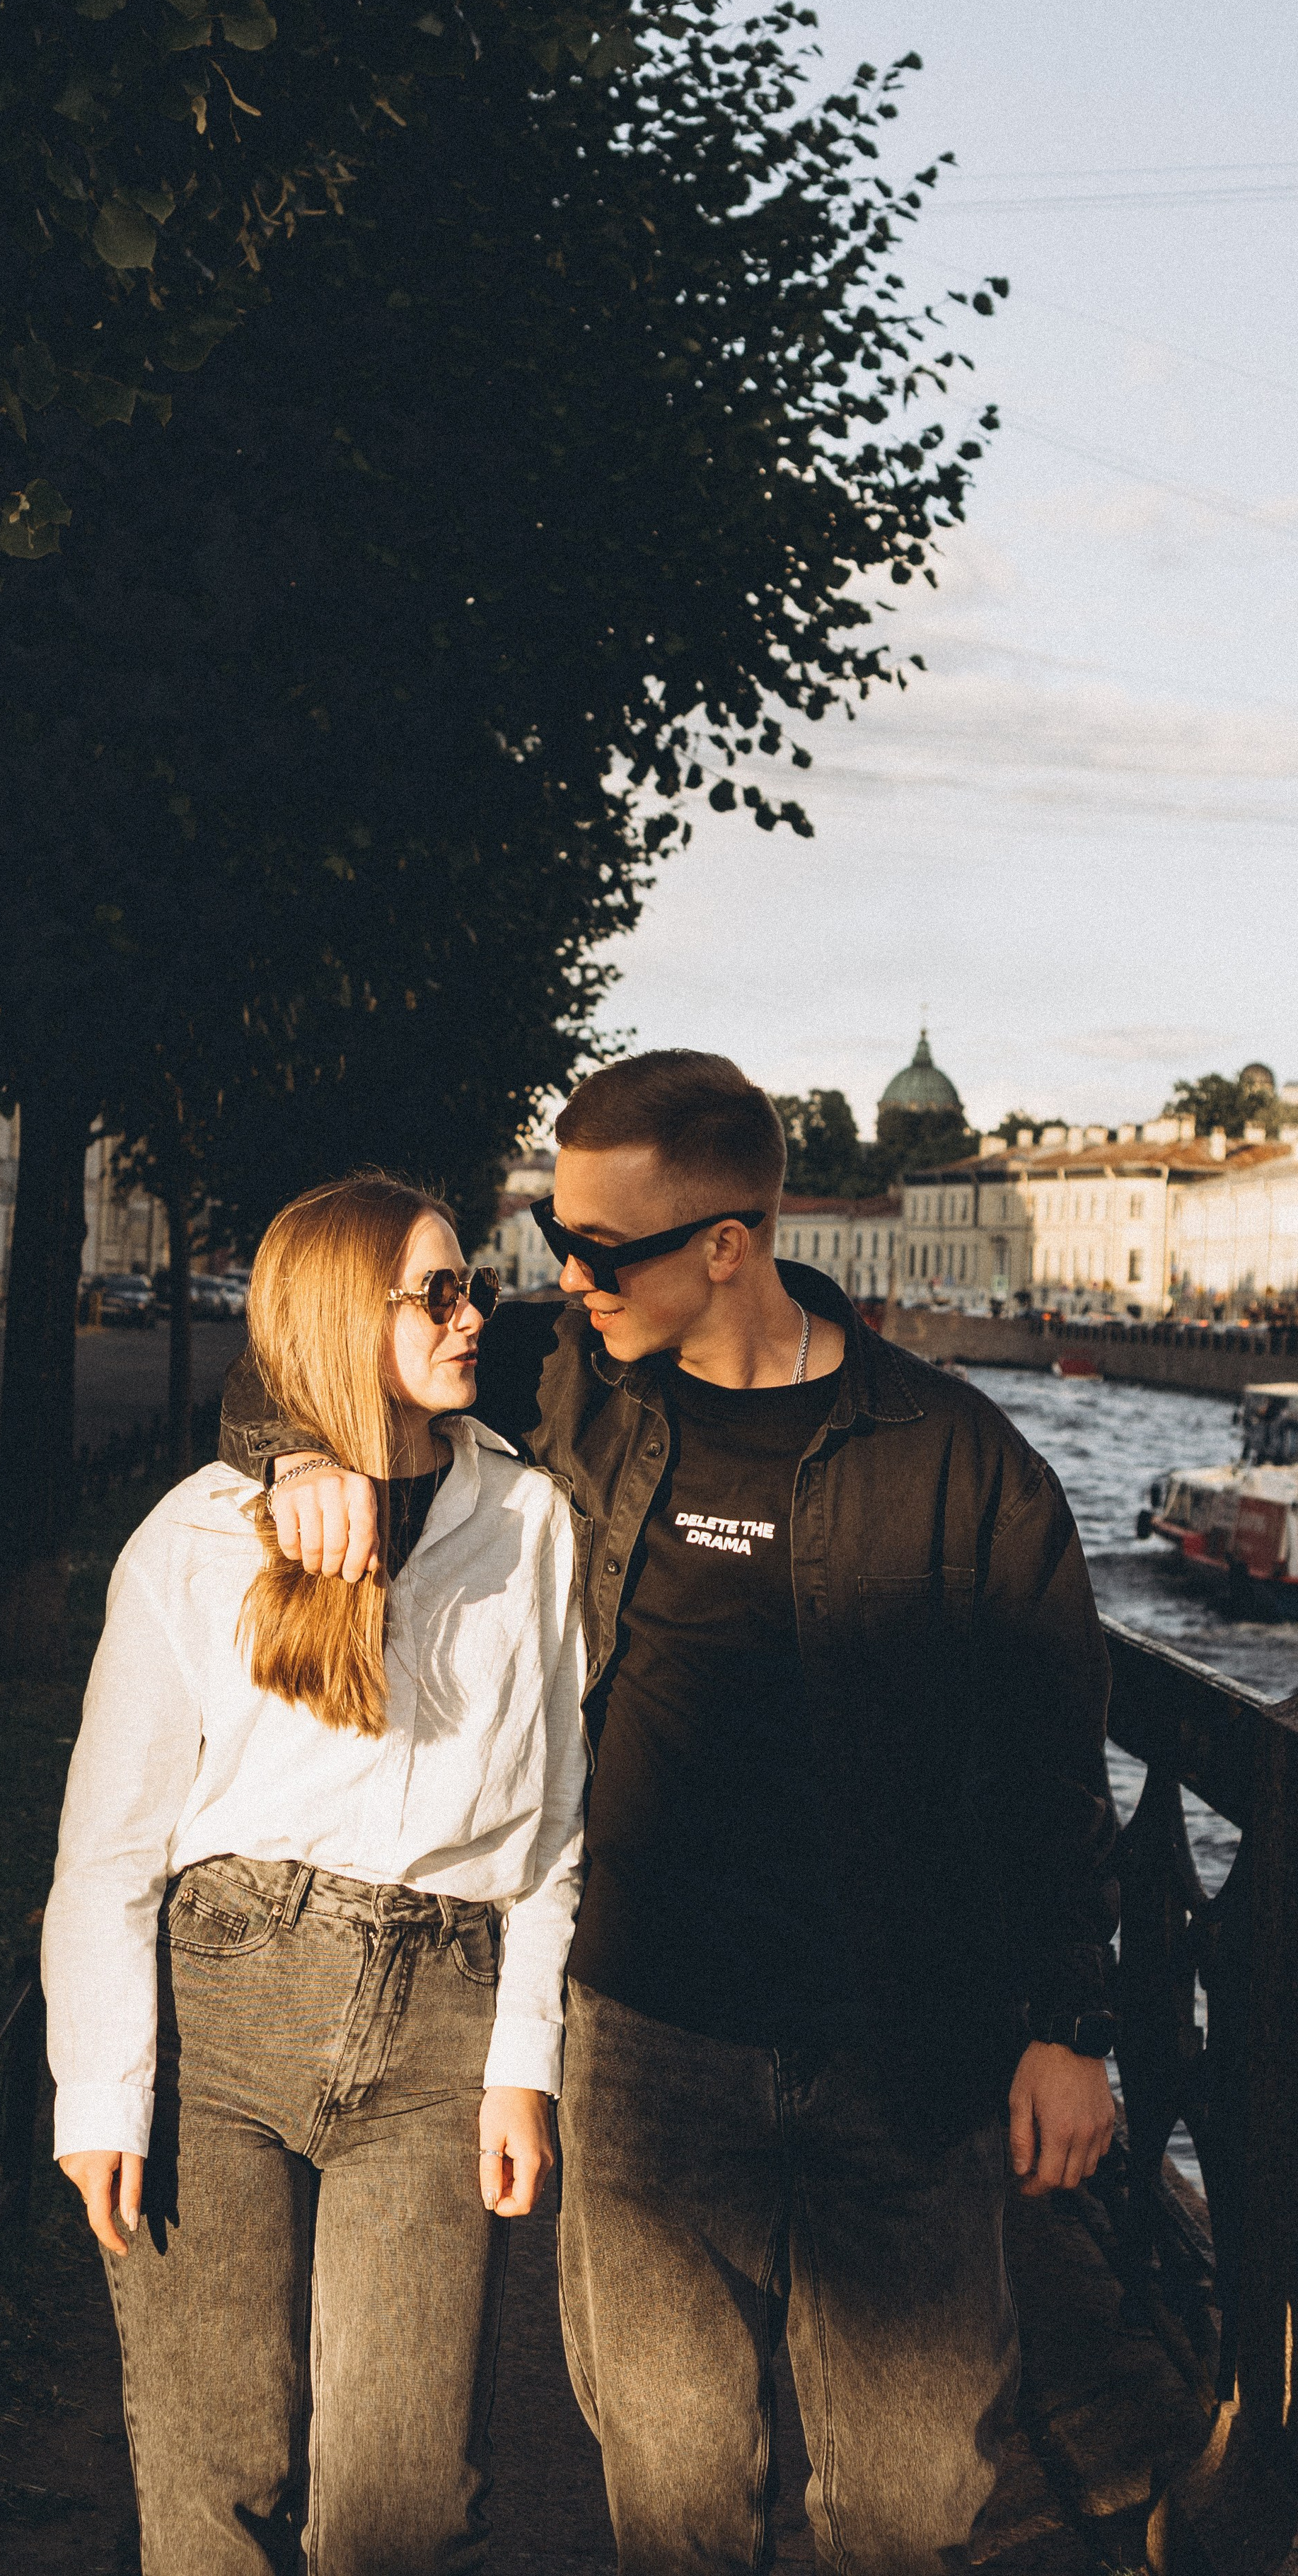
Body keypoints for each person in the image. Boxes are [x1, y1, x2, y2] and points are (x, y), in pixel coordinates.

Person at [222, 1053, 1120, 2576]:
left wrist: (1067, 2028)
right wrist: (290, 1451)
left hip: (901, 2055)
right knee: (672, 2493)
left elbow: (1049, 1763)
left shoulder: (961, 1462)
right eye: (554, 1242)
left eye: (599, 1251)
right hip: (644, 2040)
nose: (560, 1278)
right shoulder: (568, 1384)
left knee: (906, 2511)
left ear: (727, 1245)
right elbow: (301, 1355)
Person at [44, 1171, 587, 2576]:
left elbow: (549, 1826)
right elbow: (108, 1841)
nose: (477, 1317)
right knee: (211, 2472)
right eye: (439, 1293)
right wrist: (102, 2089)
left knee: (400, 2505)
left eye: (475, 1285)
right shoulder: (198, 1535)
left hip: (439, 2029)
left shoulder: (530, 1526)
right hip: (218, 2007)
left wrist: (522, 2058)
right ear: (349, 1317)